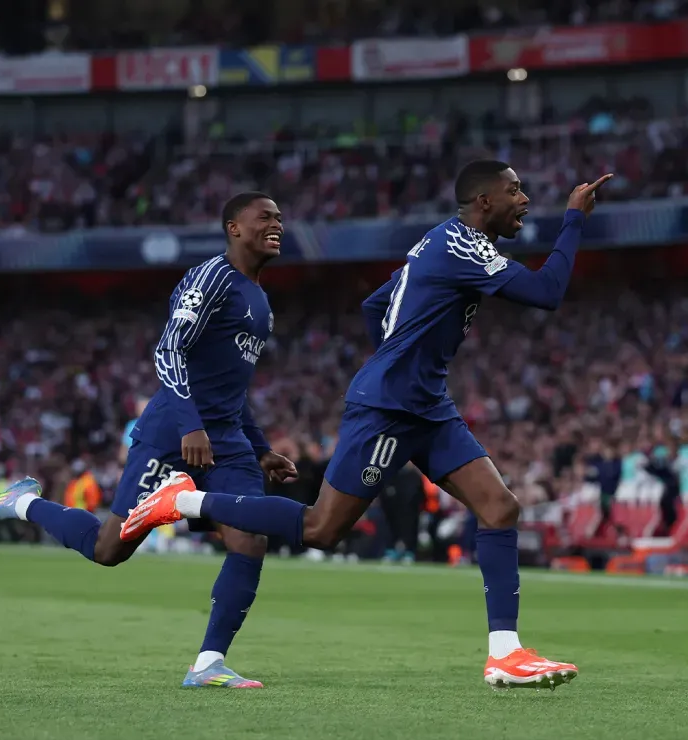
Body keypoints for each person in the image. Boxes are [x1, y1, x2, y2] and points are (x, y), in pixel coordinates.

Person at [123, 161, 613, 689]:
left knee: (499, 506)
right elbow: (546, 293)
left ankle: (505, 654)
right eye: (514, 189)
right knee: (321, 530)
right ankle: (182, 502)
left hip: (426, 404)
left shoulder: (441, 243)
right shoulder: (462, 244)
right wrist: (573, 220)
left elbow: (375, 303)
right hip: (391, 407)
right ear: (483, 202)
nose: (524, 198)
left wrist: (399, 357)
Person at [0, 192, 298, 689]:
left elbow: (232, 388)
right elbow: (169, 351)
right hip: (173, 434)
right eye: (264, 217)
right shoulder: (212, 278)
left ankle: (208, 664)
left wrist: (259, 446)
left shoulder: (261, 301)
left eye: (279, 216)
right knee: (108, 550)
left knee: (250, 535)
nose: (277, 223)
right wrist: (190, 425)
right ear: (233, 228)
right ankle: (22, 504)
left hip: (226, 441)